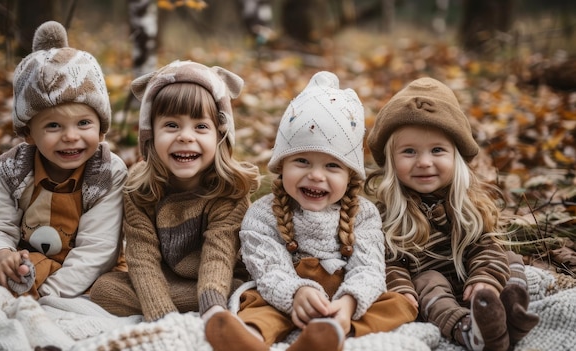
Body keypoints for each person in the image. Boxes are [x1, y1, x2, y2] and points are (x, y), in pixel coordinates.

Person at [205, 71, 418, 351]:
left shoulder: (363, 214)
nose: (316, 176)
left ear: (350, 176)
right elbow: (268, 268)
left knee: (398, 304)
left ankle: (330, 333)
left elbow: (369, 268)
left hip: (345, 300)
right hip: (286, 298)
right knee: (255, 301)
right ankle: (250, 337)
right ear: (282, 166)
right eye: (302, 161)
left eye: (332, 166)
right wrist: (296, 293)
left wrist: (348, 304)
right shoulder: (262, 213)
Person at [364, 77, 540, 351]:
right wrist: (401, 290)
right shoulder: (385, 213)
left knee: (510, 259)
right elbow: (389, 262)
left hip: (476, 288)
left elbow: (485, 245)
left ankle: (507, 313)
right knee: (428, 279)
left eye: (437, 150)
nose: (424, 162)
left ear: (456, 156)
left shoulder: (467, 202)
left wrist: (485, 278)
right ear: (391, 160)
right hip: (431, 293)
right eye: (409, 151)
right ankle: (467, 329)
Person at [89, 60, 260, 322]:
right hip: (166, 276)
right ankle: (188, 299)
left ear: (220, 135)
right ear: (150, 135)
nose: (185, 136)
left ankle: (219, 297)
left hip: (220, 276)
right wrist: (162, 315)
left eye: (201, 126)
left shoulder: (228, 189)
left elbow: (219, 255)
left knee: (235, 286)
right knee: (104, 289)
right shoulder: (140, 187)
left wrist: (213, 307)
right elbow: (141, 256)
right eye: (171, 125)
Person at [0, 21, 127, 299]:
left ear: (101, 129)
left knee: (110, 292)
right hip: (30, 260)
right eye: (53, 126)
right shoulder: (12, 169)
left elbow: (98, 249)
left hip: (84, 273)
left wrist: (47, 294)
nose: (70, 136)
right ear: (28, 133)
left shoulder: (106, 173)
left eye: (83, 123)